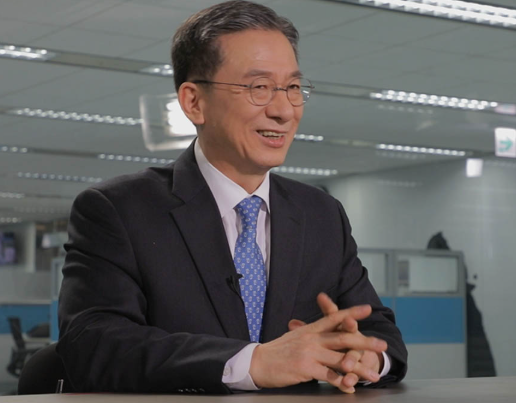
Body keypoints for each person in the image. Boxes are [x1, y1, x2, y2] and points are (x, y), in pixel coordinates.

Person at [57, 0, 407, 394]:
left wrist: (366, 357)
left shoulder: (321, 214)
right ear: (194, 102)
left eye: (293, 88)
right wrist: (252, 363)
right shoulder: (118, 209)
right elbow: (93, 343)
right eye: (259, 88)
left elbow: (378, 331)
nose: (284, 110)